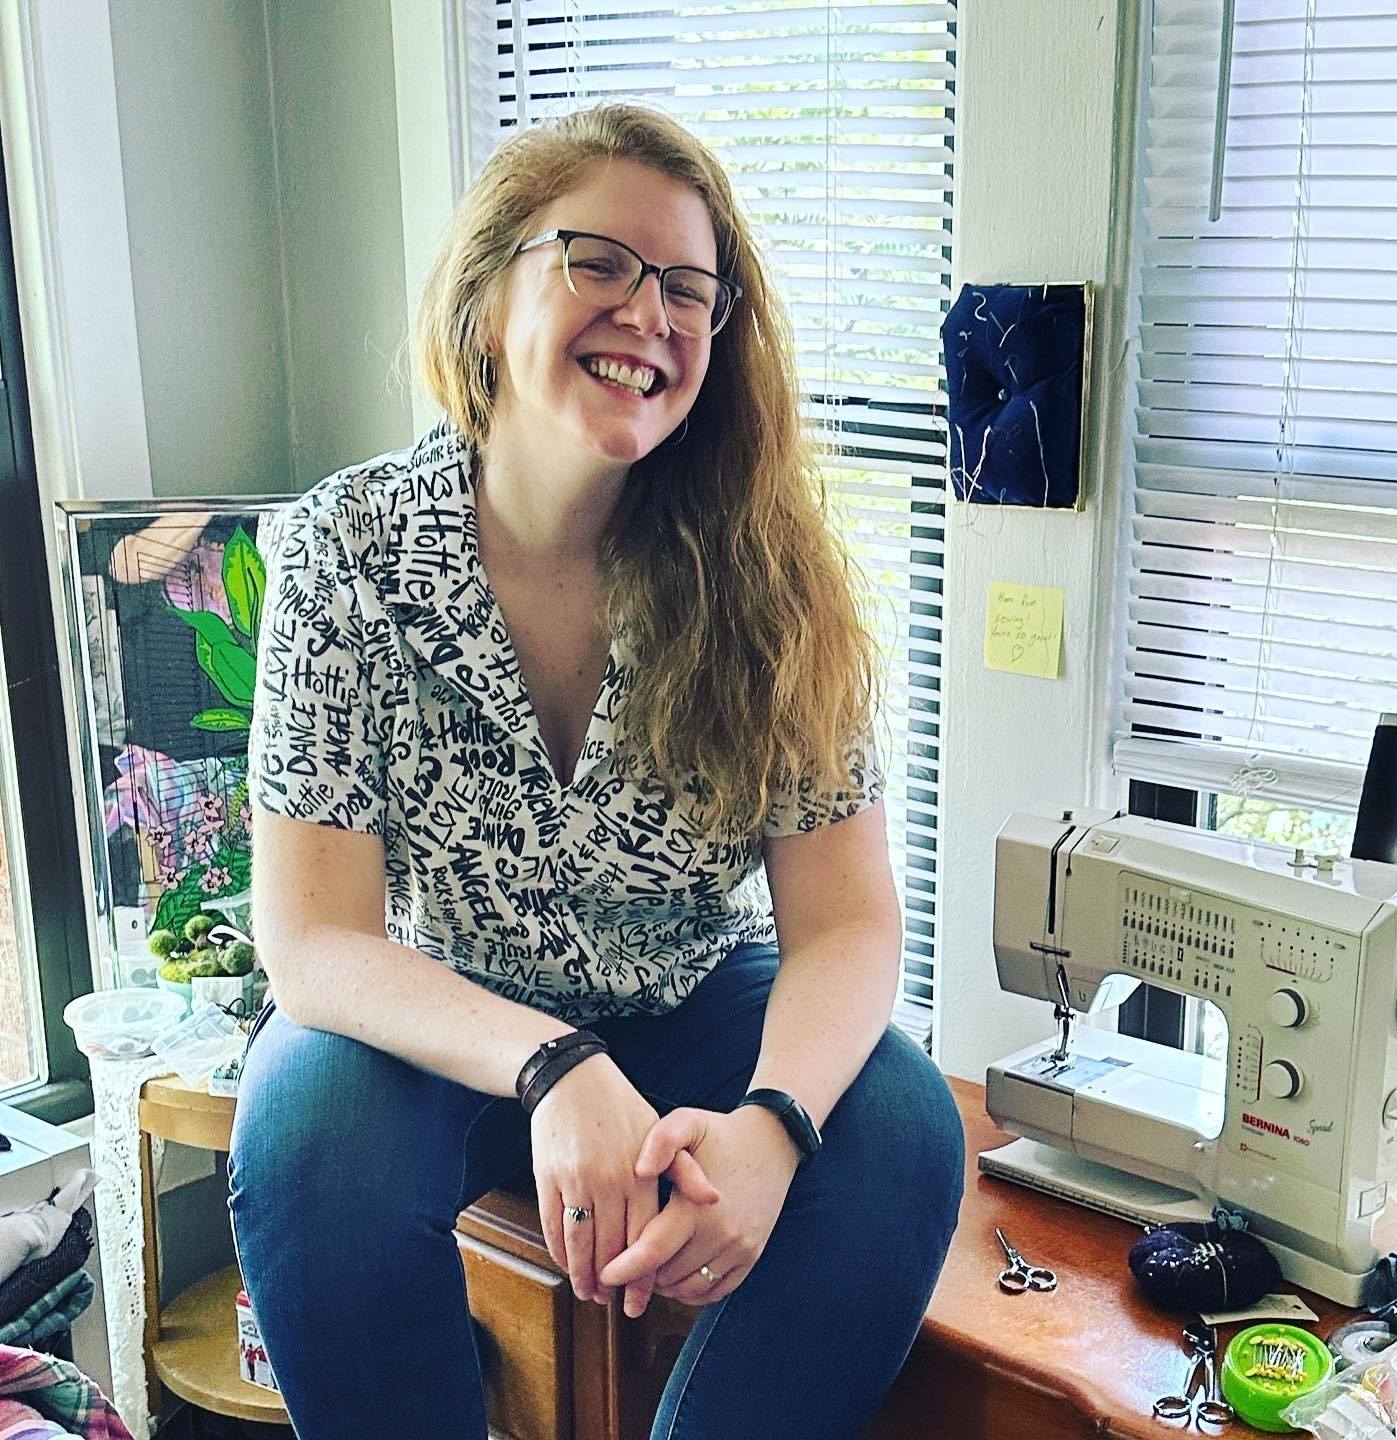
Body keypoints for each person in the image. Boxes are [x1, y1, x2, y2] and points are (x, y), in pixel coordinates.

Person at [227, 100, 965, 1439]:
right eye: (600, 263)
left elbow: (850, 924)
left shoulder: (771, 579)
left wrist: (772, 1126)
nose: (653, 316)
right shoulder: (346, 551)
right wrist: (552, 1064)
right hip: (434, 1015)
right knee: (309, 1137)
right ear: (488, 293)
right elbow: (314, 941)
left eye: (690, 288)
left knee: (905, 1126)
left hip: (685, 991)